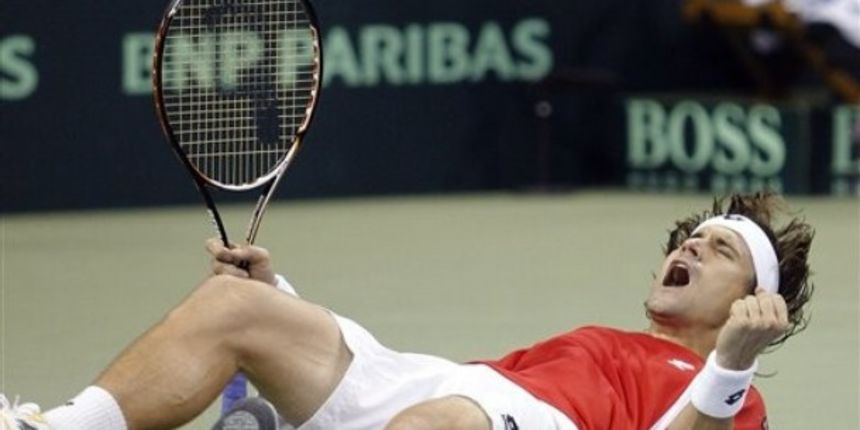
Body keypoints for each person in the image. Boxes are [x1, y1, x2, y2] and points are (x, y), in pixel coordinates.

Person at [0, 192, 814, 430]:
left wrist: (729, 365)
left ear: (755, 301)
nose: (694, 246)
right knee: (237, 303)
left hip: (481, 419)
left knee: (444, 422)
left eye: (722, 250)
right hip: (443, 388)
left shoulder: (730, 397)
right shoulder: (607, 344)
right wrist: (279, 297)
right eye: (693, 237)